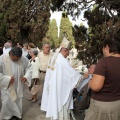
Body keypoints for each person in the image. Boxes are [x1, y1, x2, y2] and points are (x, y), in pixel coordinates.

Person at [41, 37, 86, 120]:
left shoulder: (53, 58)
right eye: (68, 52)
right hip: (60, 91)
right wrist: (83, 77)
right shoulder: (62, 60)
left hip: (53, 88)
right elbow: (72, 74)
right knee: (60, 107)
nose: (68, 54)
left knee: (55, 107)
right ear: (64, 50)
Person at [84, 32, 120, 120]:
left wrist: (89, 80)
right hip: (117, 105)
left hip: (102, 107)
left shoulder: (104, 62)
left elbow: (96, 87)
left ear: (107, 47)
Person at [0, 47, 32, 120]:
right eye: (14, 59)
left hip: (18, 84)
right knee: (6, 102)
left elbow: (29, 67)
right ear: (10, 54)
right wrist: (6, 79)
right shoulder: (2, 59)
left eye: (18, 59)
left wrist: (26, 76)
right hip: (7, 85)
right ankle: (6, 117)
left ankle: (17, 115)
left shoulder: (23, 59)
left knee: (17, 100)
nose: (16, 60)